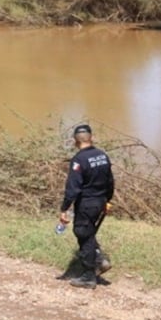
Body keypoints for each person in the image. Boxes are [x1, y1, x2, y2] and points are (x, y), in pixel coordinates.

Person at [59, 123, 114, 289]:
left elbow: (73, 188)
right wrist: (107, 200)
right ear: (92, 138)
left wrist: (64, 209)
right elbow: (110, 181)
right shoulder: (103, 156)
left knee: (83, 233)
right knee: (88, 232)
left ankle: (89, 276)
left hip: (86, 203)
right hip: (100, 201)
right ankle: (99, 259)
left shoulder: (79, 159)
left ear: (75, 142)